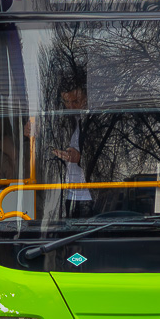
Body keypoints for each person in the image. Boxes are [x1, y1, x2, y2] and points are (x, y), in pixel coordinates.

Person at [52, 80, 93, 218]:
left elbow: (103, 153)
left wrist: (80, 158)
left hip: (90, 194)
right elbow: (46, 148)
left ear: (86, 99)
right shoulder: (58, 122)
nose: (70, 106)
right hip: (66, 193)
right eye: (66, 102)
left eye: (75, 102)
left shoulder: (95, 121)